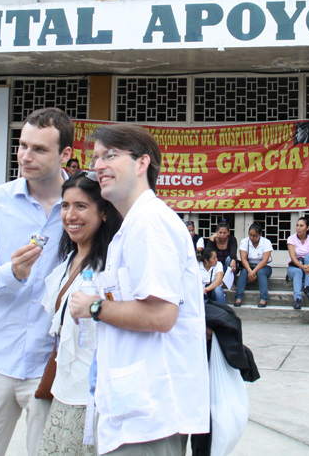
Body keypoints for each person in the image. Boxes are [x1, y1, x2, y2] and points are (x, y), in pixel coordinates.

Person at [68, 123, 209, 455]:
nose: (98, 165)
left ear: (142, 163)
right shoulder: (132, 225)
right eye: (96, 158)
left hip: (151, 414)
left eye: (110, 155)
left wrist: (93, 307)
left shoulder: (149, 223)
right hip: (137, 408)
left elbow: (161, 314)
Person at [0, 108, 74, 456]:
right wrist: (13, 273)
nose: (25, 156)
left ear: (65, 154)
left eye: (39, 149)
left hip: (50, 363)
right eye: (22, 146)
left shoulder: (81, 206)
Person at [38, 171, 122, 456]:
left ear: (104, 213)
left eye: (81, 206)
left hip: (90, 402)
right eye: (65, 205)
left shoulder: (109, 271)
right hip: (61, 394)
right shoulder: (68, 262)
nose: (70, 215)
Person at [234, 222, 273, 308]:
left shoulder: (266, 242)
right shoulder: (244, 241)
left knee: (260, 273)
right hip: (249, 265)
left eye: (255, 236)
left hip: (264, 266)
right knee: (244, 272)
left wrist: (253, 272)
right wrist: (249, 271)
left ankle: (263, 298)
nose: (252, 238)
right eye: (250, 235)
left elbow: (265, 260)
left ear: (260, 234)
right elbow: (243, 259)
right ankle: (238, 297)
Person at [286, 216, 309, 310]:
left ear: (307, 228)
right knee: (298, 272)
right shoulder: (291, 239)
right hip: (295, 266)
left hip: (308, 267)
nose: (298, 228)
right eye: (297, 225)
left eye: (301, 226)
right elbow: (293, 257)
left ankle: (307, 286)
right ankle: (298, 299)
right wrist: (302, 267)